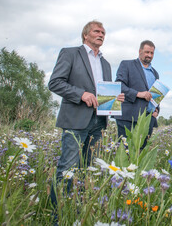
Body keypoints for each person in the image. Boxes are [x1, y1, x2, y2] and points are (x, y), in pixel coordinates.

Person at [48, 20, 124, 203]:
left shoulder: (106, 63)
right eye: (97, 31)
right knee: (68, 167)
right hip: (75, 119)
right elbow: (55, 83)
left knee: (88, 168)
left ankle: (78, 207)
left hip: (98, 122)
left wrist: (114, 99)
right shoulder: (70, 53)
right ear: (85, 34)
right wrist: (81, 94)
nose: (101, 35)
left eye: (103, 33)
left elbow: (103, 92)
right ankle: (58, 214)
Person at [115, 40, 159, 149]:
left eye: (152, 53)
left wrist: (157, 109)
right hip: (128, 117)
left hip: (148, 118)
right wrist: (138, 94)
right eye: (147, 52)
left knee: (141, 153)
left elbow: (157, 94)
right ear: (140, 51)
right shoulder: (126, 64)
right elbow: (119, 85)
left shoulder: (155, 72)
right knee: (125, 153)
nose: (149, 55)